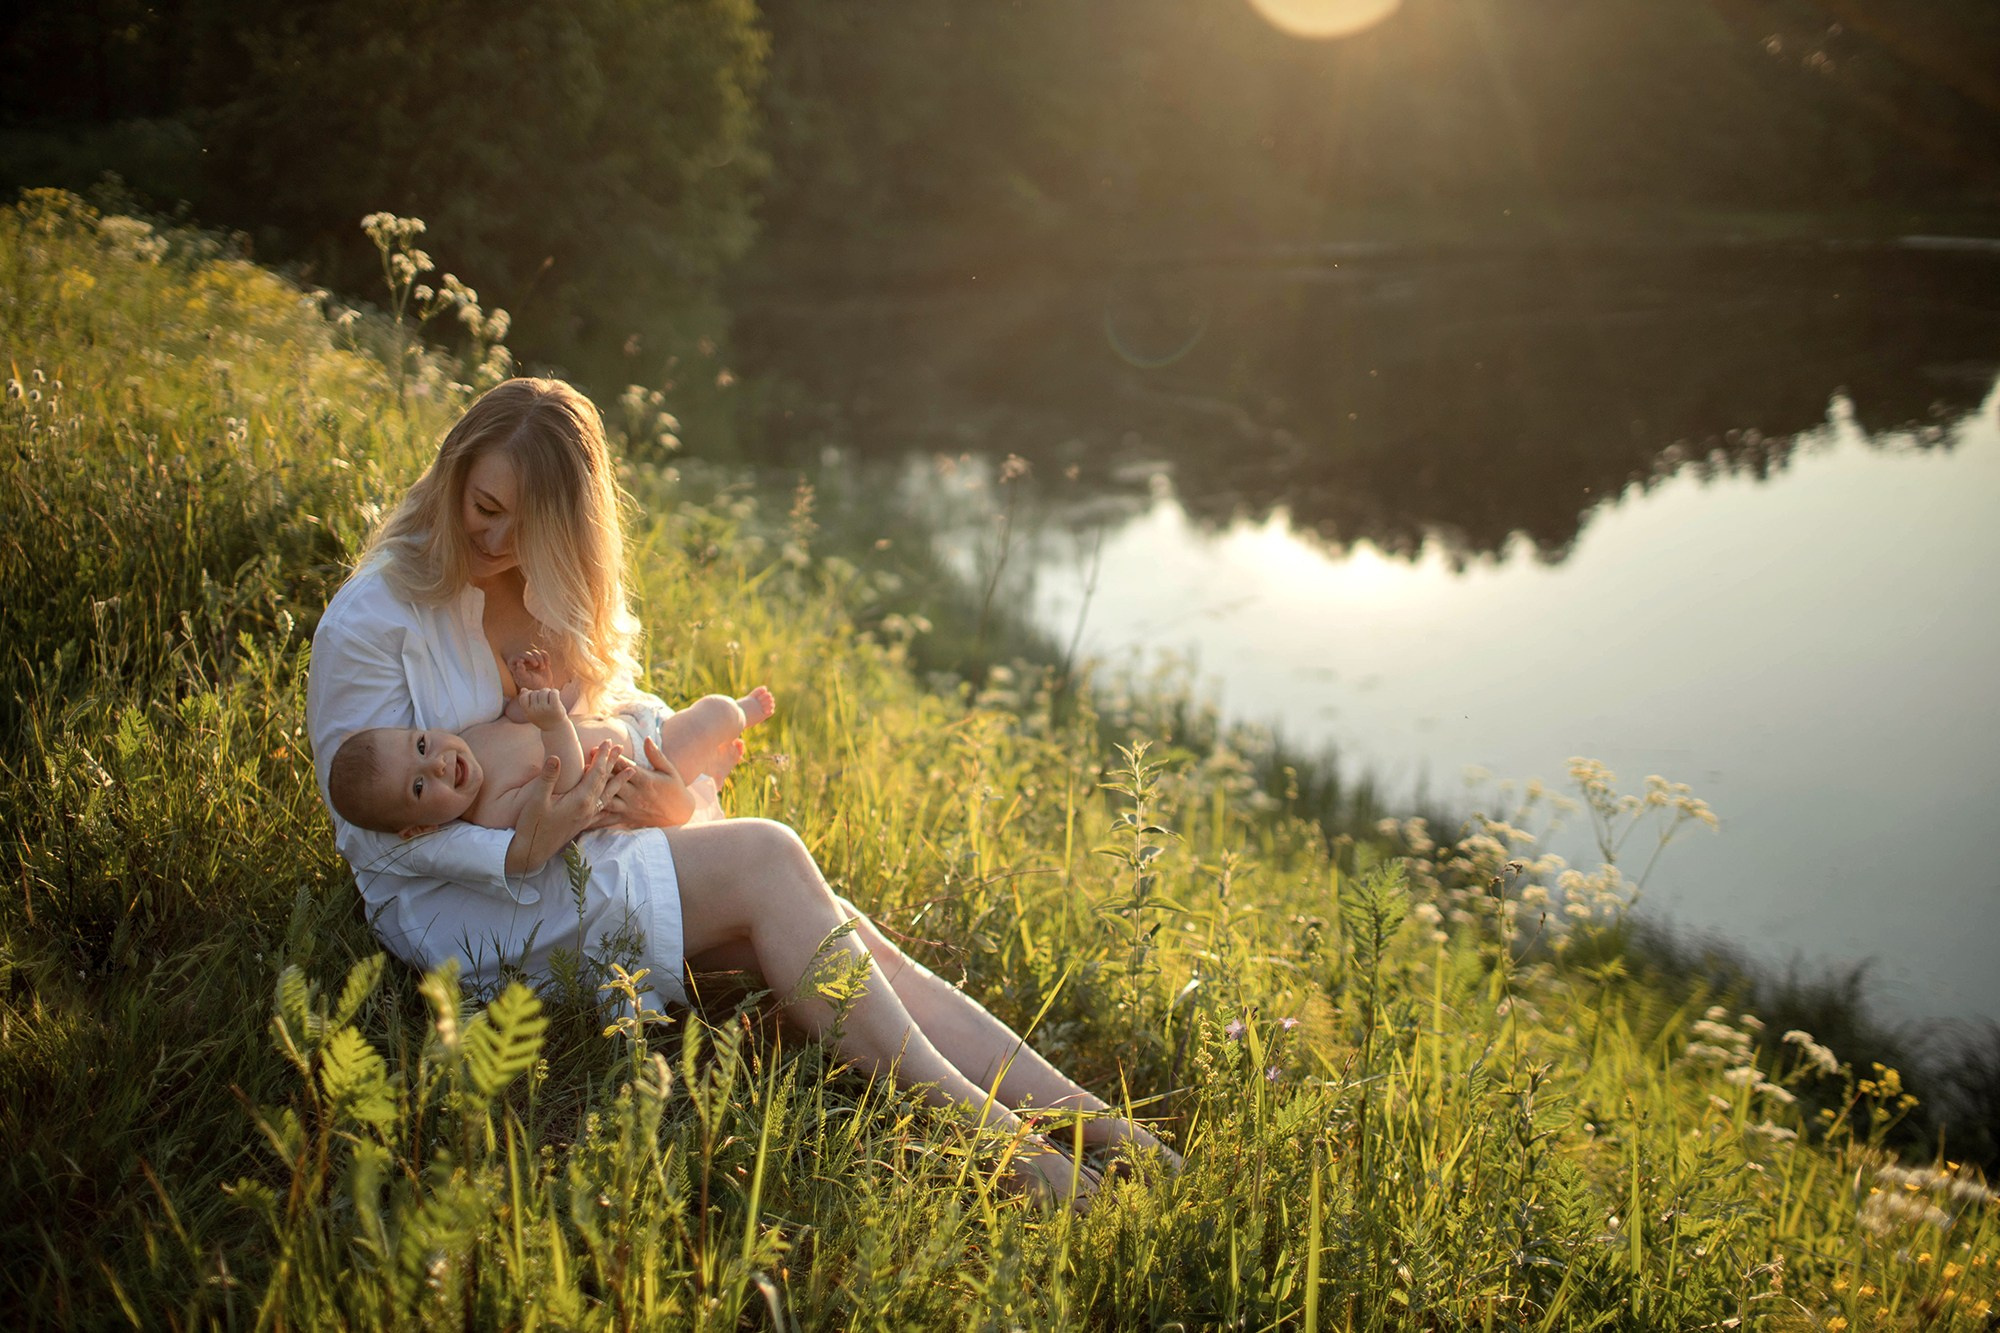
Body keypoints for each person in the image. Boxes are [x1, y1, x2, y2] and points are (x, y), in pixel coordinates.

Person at [306, 377, 1177, 1207]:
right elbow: (376, 835)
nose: (497, 543)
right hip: (461, 901)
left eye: (527, 528)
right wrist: (520, 845)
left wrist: (659, 793)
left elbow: (622, 707)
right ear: (454, 472)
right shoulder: (373, 618)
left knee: (841, 931)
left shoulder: (545, 587)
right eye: (485, 508)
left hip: (578, 844)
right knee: (769, 858)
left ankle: (1107, 1131)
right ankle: (1008, 1151)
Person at [325, 656, 773, 838]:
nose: (439, 765)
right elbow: (570, 783)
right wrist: (555, 721)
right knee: (711, 714)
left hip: (623, 723)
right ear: (418, 829)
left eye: (422, 745)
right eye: (419, 788)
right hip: (646, 762)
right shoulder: (491, 812)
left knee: (695, 747)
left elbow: (516, 720)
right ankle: (744, 713)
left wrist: (535, 692)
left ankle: (711, 773)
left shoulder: (472, 738)